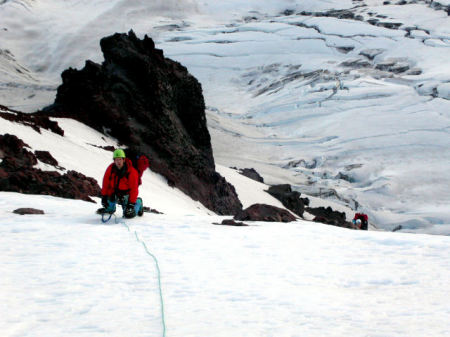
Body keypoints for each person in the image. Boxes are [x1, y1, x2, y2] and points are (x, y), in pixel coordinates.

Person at [97, 149, 143, 218]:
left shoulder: (131, 172)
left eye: (120, 159)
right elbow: (105, 183)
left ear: (124, 160)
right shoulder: (111, 169)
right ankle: (110, 208)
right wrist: (104, 196)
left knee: (128, 215)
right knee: (110, 194)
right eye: (116, 159)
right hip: (114, 192)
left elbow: (134, 189)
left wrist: (131, 204)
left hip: (126, 194)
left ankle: (138, 202)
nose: (118, 161)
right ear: (114, 160)